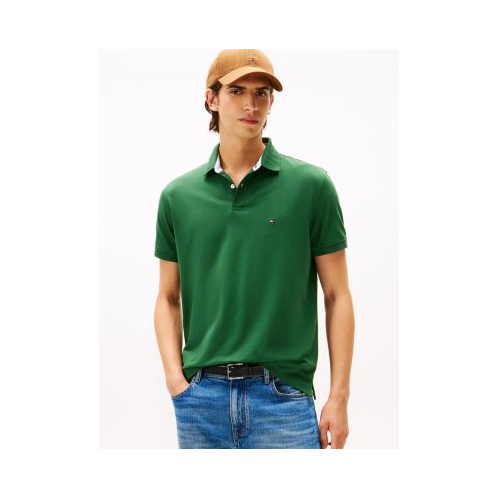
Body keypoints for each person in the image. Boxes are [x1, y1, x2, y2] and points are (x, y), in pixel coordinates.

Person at [154, 49, 354, 449]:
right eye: (237, 91)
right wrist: (176, 382)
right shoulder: (178, 196)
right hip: (201, 400)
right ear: (211, 99)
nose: (251, 104)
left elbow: (338, 295)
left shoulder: (311, 186)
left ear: (271, 101)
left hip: (283, 399)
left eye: (261, 93)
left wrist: (339, 396)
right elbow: (167, 298)